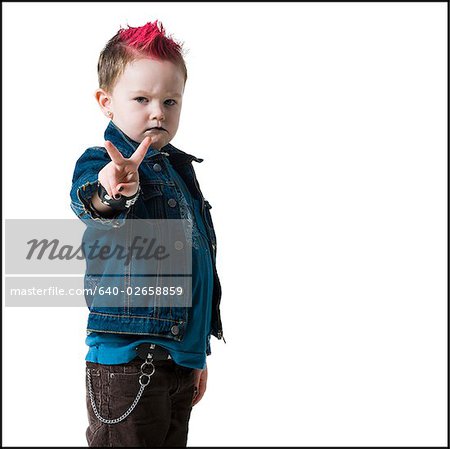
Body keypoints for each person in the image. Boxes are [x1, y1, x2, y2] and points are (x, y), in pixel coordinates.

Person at [69, 20, 225, 447]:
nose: (159, 112)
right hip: (126, 361)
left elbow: (198, 268)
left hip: (178, 360)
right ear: (107, 102)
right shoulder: (101, 161)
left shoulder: (179, 171)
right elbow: (95, 206)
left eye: (170, 100)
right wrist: (113, 190)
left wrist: (198, 356)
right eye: (142, 99)